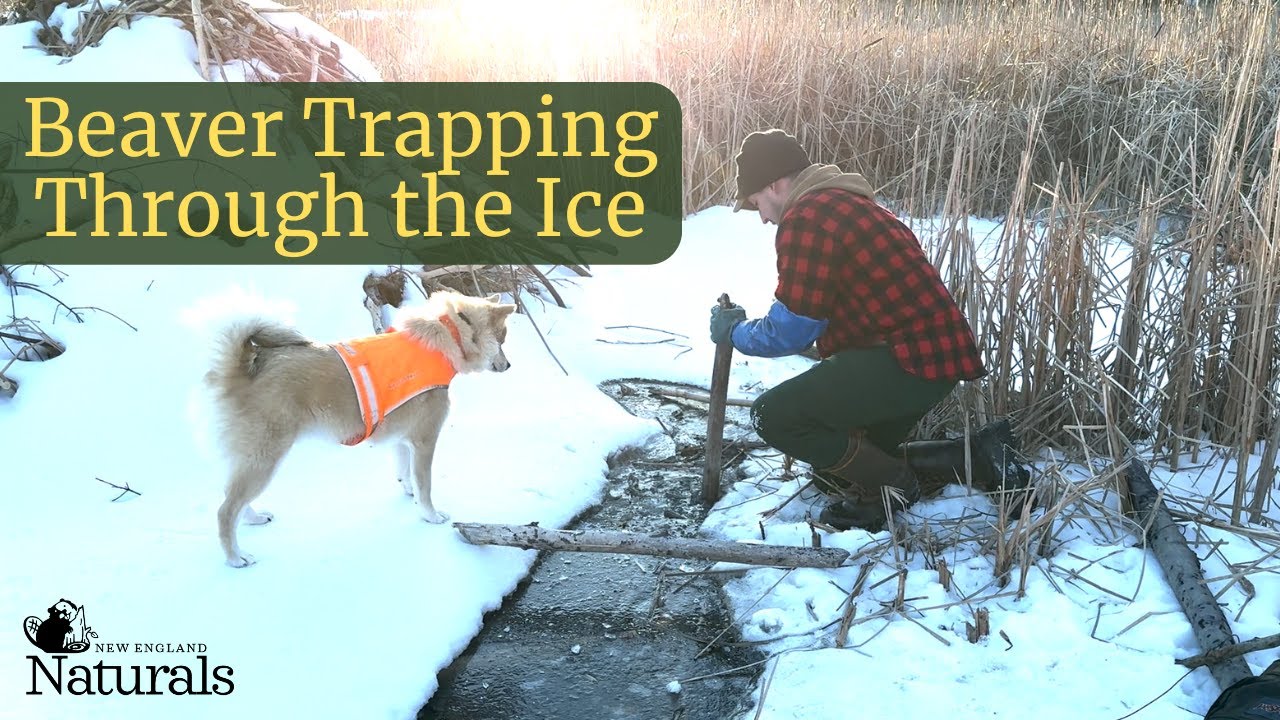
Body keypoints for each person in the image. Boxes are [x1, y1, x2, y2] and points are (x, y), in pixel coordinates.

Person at [709, 128, 1028, 531]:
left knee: (772, 416)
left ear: (774, 183)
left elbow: (792, 330)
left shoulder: (808, 217)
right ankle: (978, 455)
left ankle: (894, 485)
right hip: (929, 361)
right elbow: (826, 319)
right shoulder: (844, 204)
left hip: (904, 361)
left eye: (757, 203)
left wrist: (735, 332)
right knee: (835, 471)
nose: (763, 217)